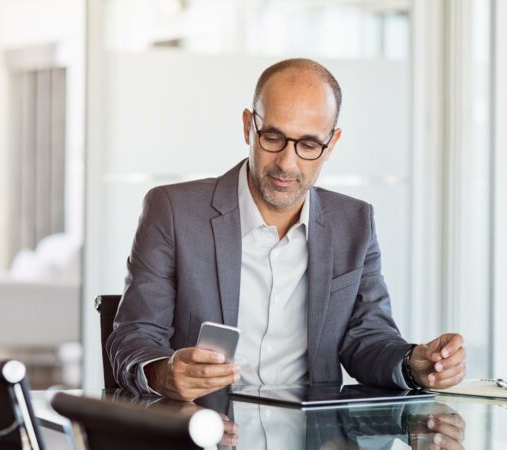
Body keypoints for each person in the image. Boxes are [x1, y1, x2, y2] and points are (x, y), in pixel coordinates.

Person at [107, 58, 466, 401]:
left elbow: (367, 340)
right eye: (273, 138)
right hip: (205, 430)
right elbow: (134, 337)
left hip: (311, 434)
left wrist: (412, 363)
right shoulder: (173, 212)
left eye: (308, 144)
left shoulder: (353, 223)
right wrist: (162, 372)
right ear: (248, 126)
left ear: (332, 144)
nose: (286, 163)